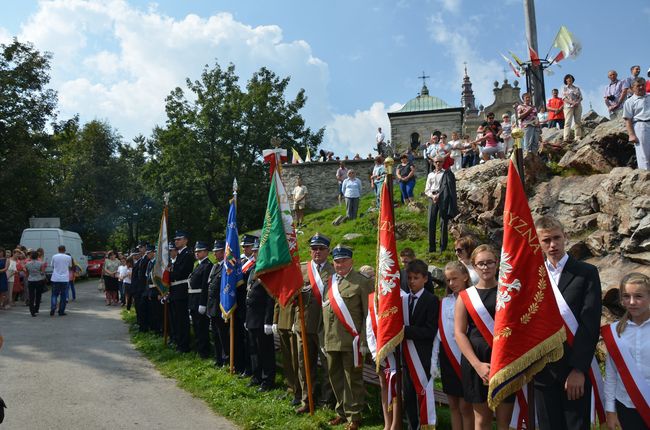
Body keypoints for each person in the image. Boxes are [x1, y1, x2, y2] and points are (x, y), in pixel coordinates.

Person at [534, 215, 602, 430]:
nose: (552, 245)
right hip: (542, 370)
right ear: (538, 243)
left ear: (566, 237)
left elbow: (589, 324)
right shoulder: (533, 276)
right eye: (546, 240)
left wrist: (578, 370)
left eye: (556, 238)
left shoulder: (586, 273)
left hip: (573, 369)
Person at [454, 244, 514, 430]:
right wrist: (477, 365)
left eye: (489, 262)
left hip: (505, 362)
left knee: (505, 422)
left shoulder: (509, 292)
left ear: (497, 264)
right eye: (481, 263)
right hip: (477, 364)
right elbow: (459, 333)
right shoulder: (465, 297)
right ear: (474, 266)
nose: (485, 267)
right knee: (482, 421)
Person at [323, 245, 373, 430]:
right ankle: (341, 411)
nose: (340, 264)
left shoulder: (361, 282)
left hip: (352, 341)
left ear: (351, 261)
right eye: (337, 261)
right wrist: (323, 339)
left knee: (352, 378)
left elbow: (368, 315)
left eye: (344, 260)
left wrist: (364, 342)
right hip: (331, 339)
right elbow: (324, 312)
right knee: (335, 376)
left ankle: (355, 415)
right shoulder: (330, 282)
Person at [602, 273, 650, 430]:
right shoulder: (615, 332)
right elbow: (611, 374)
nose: (632, 302)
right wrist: (610, 410)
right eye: (626, 296)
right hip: (626, 406)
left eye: (638, 296)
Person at [295, 233, 336, 413]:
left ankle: (327, 400)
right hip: (303, 325)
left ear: (328, 251)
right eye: (314, 249)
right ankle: (307, 399)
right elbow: (290, 296)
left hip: (325, 327)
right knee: (304, 364)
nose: (317, 252)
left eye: (321, 249)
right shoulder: (302, 269)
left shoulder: (335, 271)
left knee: (328, 366)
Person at [433, 261, 474, 430]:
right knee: (453, 405)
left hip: (467, 357)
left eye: (455, 278)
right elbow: (439, 332)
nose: (451, 283)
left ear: (465, 277)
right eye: (448, 280)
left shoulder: (474, 298)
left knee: (466, 406)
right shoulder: (445, 302)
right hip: (447, 356)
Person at [402, 259, 439, 430]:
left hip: (422, 356)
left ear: (425, 279)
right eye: (409, 278)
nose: (411, 282)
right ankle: (412, 425)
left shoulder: (431, 300)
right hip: (406, 356)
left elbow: (430, 331)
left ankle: (424, 424)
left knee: (422, 393)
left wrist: (405, 330)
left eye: (416, 278)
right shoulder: (404, 300)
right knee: (408, 395)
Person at [245, 240, 276, 391]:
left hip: (262, 317)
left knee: (265, 351)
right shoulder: (253, 269)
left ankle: (267, 380)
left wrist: (268, 321)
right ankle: (256, 376)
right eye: (254, 251)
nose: (255, 254)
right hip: (251, 317)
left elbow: (270, 299)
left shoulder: (267, 271)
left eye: (258, 251)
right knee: (254, 350)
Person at [425, 156, 458, 253]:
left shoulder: (446, 174)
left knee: (443, 222)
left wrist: (439, 195)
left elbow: (448, 188)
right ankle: (432, 248)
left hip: (443, 198)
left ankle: (442, 247)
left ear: (442, 162)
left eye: (440, 162)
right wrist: (432, 196)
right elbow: (427, 189)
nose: (438, 163)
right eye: (436, 162)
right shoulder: (430, 175)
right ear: (433, 163)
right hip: (432, 198)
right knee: (431, 222)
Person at [170, 230, 195, 353]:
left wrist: (169, 273)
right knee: (176, 319)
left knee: (182, 320)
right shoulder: (180, 254)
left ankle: (184, 345)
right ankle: (179, 342)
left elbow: (180, 272)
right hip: (175, 290)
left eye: (179, 239)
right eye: (175, 239)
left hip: (181, 290)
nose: (176, 241)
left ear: (185, 240)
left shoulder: (187, 254)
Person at [188, 241, 213, 359]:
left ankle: (204, 352)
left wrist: (203, 303)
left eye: (199, 251)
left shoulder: (208, 265)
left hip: (200, 300)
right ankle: (199, 349)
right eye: (196, 251)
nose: (196, 253)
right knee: (197, 328)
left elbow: (205, 286)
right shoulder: (198, 265)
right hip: (194, 300)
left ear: (206, 251)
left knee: (202, 328)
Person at [207, 239, 229, 367]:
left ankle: (226, 359)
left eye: (217, 251)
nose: (214, 254)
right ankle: (218, 359)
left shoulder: (226, 267)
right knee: (215, 335)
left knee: (223, 336)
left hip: (221, 306)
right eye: (214, 251)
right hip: (212, 306)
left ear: (223, 252)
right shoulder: (215, 266)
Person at [623, 77, 650, 171]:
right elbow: (627, 119)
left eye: (643, 85)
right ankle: (646, 177)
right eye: (638, 85)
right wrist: (631, 135)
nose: (641, 87)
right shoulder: (629, 102)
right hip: (641, 126)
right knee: (644, 154)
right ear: (632, 88)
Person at [50, 245, 72, 316]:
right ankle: (61, 311)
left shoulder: (54, 256)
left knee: (54, 295)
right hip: (64, 279)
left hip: (55, 278)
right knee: (63, 295)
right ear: (65, 250)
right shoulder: (68, 257)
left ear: (58, 249)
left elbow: (52, 266)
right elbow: (70, 266)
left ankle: (53, 307)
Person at [562, 74, 584, 143]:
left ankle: (577, 137)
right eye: (568, 78)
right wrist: (571, 102)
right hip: (568, 106)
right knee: (568, 121)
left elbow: (580, 97)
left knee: (577, 121)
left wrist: (577, 102)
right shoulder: (564, 88)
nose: (569, 79)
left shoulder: (577, 88)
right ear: (566, 80)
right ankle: (566, 137)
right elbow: (564, 98)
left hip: (577, 105)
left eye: (571, 78)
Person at [25, 251, 46, 317]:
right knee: (38, 295)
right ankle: (36, 308)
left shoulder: (27, 264)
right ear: (37, 256)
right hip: (39, 280)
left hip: (31, 280)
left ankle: (32, 311)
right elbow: (42, 272)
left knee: (31, 296)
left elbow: (27, 273)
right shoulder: (41, 263)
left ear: (30, 256)